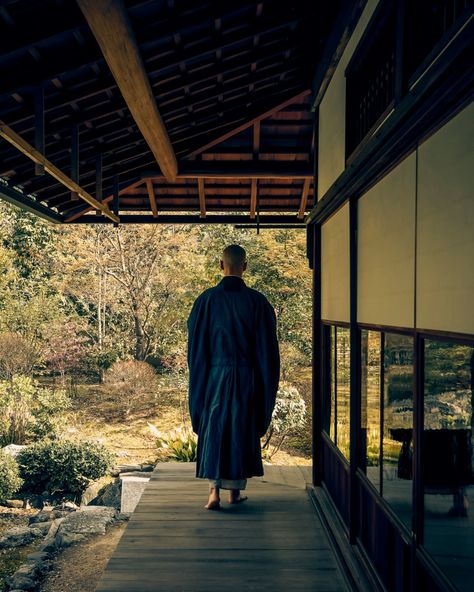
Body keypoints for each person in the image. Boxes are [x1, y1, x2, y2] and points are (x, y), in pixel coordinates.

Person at [187, 244, 280, 510]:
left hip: (214, 376)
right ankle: (235, 494)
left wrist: (200, 379)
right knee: (241, 427)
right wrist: (264, 381)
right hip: (246, 377)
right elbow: (267, 351)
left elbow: (196, 347)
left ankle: (213, 493)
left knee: (215, 426)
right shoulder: (257, 302)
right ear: (245, 267)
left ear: (221, 265)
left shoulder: (205, 301)